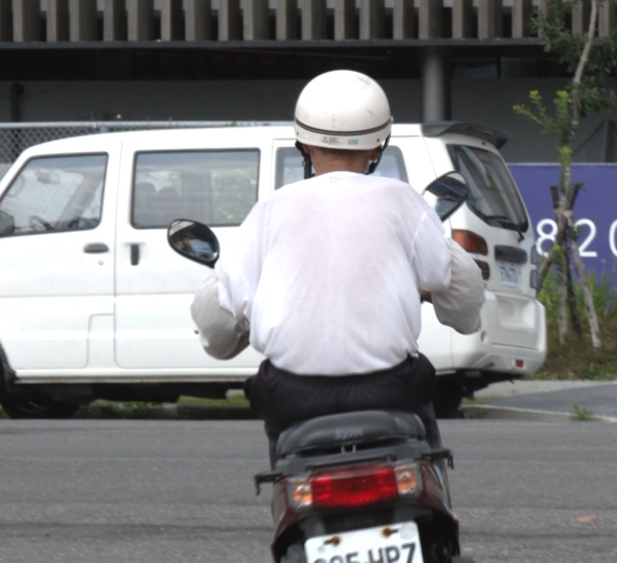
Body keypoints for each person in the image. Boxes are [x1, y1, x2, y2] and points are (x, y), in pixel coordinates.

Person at [189, 69, 485, 468]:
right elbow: (460, 287)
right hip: (390, 390)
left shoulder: (269, 211)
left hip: (293, 397)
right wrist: (454, 311)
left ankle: (290, 510)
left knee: (285, 467)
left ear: (303, 143)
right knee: (425, 440)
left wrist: (224, 339)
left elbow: (217, 315)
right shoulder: (401, 201)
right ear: (379, 144)